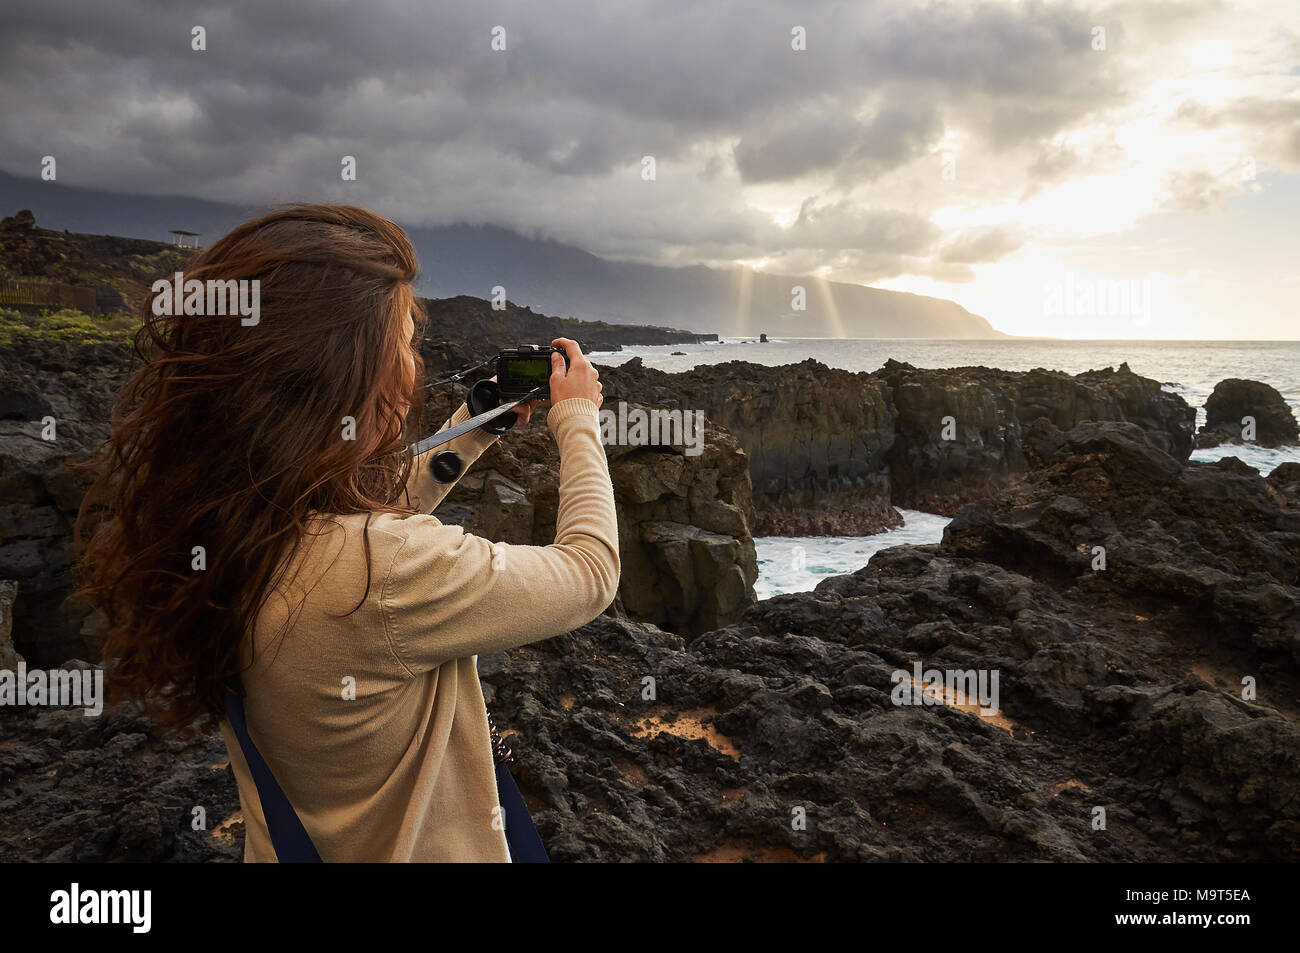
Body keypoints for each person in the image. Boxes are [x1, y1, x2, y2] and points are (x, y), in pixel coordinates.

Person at [76, 204, 620, 861]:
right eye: (404, 344)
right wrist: (579, 419)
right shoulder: (383, 571)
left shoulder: (234, 524)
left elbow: (364, 523)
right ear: (346, 377)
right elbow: (590, 572)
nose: (414, 368)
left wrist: (475, 427)